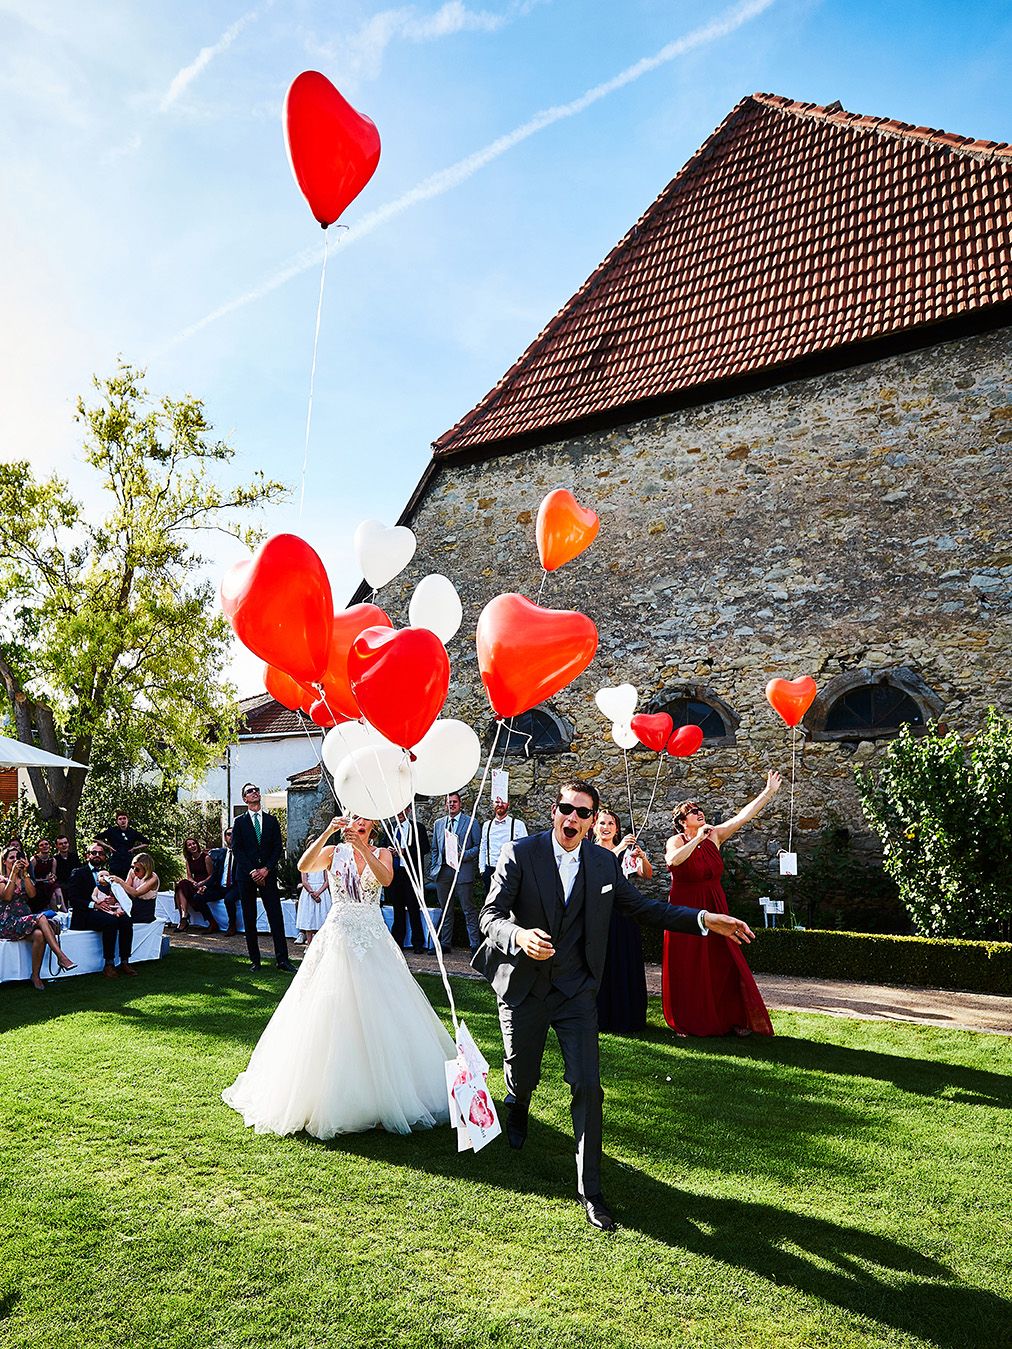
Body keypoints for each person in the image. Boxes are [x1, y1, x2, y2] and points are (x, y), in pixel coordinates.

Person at [474, 779, 754, 1233]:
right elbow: (489, 916)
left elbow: (646, 909)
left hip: (576, 992)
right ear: (554, 811)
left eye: (583, 813)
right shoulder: (520, 854)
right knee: (520, 1070)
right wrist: (520, 937)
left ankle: (592, 1192)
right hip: (524, 987)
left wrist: (705, 919)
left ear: (592, 821)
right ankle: (518, 1102)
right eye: (566, 808)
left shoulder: (605, 864)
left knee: (587, 1085)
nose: (573, 818)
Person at [222, 814, 455, 1138]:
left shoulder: (383, 851)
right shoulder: (334, 853)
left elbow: (385, 879)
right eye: (353, 818)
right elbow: (305, 865)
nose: (357, 824)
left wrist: (364, 848)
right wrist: (328, 833)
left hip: (372, 936)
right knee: (329, 1007)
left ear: (372, 825)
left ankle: (389, 1094)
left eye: (363, 820)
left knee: (383, 1008)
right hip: (339, 933)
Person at [662, 773, 782, 1039]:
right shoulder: (678, 840)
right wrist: (697, 839)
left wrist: (768, 792)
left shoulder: (715, 835)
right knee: (689, 964)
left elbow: (743, 817)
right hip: (686, 910)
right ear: (682, 822)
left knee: (724, 961)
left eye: (699, 809)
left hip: (716, 904)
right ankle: (688, 1020)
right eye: (691, 812)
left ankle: (732, 1017)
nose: (698, 812)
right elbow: (673, 861)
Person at [592, 808, 652, 1035]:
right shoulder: (591, 851)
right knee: (603, 962)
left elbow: (647, 875)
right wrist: (618, 849)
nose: (606, 827)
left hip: (624, 913)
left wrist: (642, 857)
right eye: (602, 823)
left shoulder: (624, 853)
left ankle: (627, 1014)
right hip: (600, 913)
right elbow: (600, 869)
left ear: (616, 829)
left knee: (624, 959)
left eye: (610, 824)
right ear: (594, 827)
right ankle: (602, 1014)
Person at [230, 783, 293, 972]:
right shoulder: (239, 822)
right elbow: (237, 849)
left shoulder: (271, 821)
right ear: (245, 799)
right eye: (250, 791)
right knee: (249, 917)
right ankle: (255, 961)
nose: (255, 792)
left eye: (256, 789)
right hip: (246, 876)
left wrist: (266, 869)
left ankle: (282, 960)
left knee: (276, 916)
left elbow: (277, 848)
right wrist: (252, 871)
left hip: (268, 875)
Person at [0, 846, 74, 989]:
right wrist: (13, 874)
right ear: (4, 861)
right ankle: (61, 956)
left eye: (18, 857)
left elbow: (32, 895)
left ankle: (35, 976)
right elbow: (7, 897)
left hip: (24, 919)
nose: (16, 860)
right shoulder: (1, 879)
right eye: (11, 858)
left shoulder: (24, 878)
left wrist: (25, 873)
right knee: (41, 918)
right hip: (7, 922)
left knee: (39, 935)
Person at [65, 842, 136, 978]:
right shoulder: (78, 873)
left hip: (108, 910)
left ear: (105, 857)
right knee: (110, 922)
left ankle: (125, 961)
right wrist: (94, 905)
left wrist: (114, 901)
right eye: (94, 853)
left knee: (126, 920)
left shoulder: (108, 875)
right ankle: (109, 964)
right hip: (86, 914)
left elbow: (116, 894)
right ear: (87, 856)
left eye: (101, 853)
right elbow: (73, 899)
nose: (97, 855)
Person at [429, 791, 481, 953]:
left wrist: (463, 856)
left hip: (462, 871)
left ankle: (474, 944)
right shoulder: (439, 823)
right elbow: (435, 849)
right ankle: (445, 943)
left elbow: (479, 847)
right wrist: (434, 868)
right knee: (446, 909)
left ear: (460, 804)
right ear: (445, 805)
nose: (451, 804)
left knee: (468, 909)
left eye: (454, 802)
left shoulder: (471, 822)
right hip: (443, 872)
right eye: (449, 802)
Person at [386, 810, 430, 951]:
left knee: (413, 908)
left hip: (411, 873)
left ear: (409, 811)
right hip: (395, 872)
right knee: (397, 908)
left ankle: (417, 943)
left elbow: (424, 848)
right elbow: (383, 845)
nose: (399, 813)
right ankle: (398, 941)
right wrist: (388, 850)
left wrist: (405, 851)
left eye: (403, 810)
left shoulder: (418, 828)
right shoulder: (390, 827)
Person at [478, 796, 528, 895]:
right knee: (491, 902)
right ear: (493, 804)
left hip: (510, 870)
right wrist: (482, 869)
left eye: (503, 802)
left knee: (511, 902)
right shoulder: (487, 825)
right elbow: (483, 847)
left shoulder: (518, 825)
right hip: (490, 870)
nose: (500, 804)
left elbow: (525, 850)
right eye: (497, 802)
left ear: (508, 804)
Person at [173, 837, 220, 933]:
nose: (192, 846)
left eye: (193, 843)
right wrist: (193, 882)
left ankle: (184, 919)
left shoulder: (206, 857)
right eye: (189, 845)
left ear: (197, 844)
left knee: (183, 889)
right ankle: (184, 915)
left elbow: (211, 875)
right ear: (187, 848)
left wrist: (202, 883)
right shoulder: (188, 860)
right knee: (181, 884)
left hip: (207, 884)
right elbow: (189, 876)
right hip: (195, 883)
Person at [205, 827, 240, 935]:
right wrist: (205, 886)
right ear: (225, 838)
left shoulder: (242, 854)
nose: (231, 836)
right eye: (229, 834)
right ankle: (212, 923)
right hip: (220, 887)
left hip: (235, 886)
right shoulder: (220, 854)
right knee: (198, 897)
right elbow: (214, 875)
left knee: (229, 899)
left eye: (234, 834)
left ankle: (232, 925)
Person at [97, 811, 149, 880]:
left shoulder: (133, 832)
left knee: (128, 882)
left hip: (129, 861)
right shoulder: (112, 831)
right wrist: (108, 846)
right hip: (115, 861)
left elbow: (147, 843)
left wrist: (134, 848)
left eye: (124, 818)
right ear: (117, 821)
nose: (122, 821)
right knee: (115, 882)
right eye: (120, 819)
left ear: (127, 820)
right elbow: (96, 839)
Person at [110, 853, 159, 923]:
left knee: (123, 920)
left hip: (145, 908)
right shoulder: (132, 872)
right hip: (132, 903)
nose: (134, 870)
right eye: (133, 867)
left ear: (146, 869)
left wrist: (120, 881)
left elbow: (136, 893)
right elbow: (126, 889)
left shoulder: (153, 879)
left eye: (137, 869)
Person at [295, 864, 330, 945]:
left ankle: (321, 944)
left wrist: (319, 892)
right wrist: (312, 893)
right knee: (309, 919)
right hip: (308, 893)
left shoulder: (323, 864)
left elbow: (327, 881)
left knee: (322, 917)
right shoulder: (305, 864)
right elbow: (304, 881)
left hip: (322, 892)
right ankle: (309, 945)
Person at [29, 839, 58, 911]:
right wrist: (45, 879)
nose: (44, 846)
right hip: (36, 885)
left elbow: (54, 875)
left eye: (46, 844)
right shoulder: (34, 860)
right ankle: (56, 911)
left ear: (49, 846)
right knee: (53, 894)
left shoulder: (53, 860)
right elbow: (30, 879)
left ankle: (61, 910)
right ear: (38, 848)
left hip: (48, 884)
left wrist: (52, 878)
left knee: (57, 890)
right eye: (41, 845)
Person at [53, 835, 80, 906]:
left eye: (65, 843)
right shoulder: (54, 859)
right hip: (62, 887)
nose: (64, 845)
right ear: (57, 846)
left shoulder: (74, 857)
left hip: (75, 885)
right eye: (61, 844)